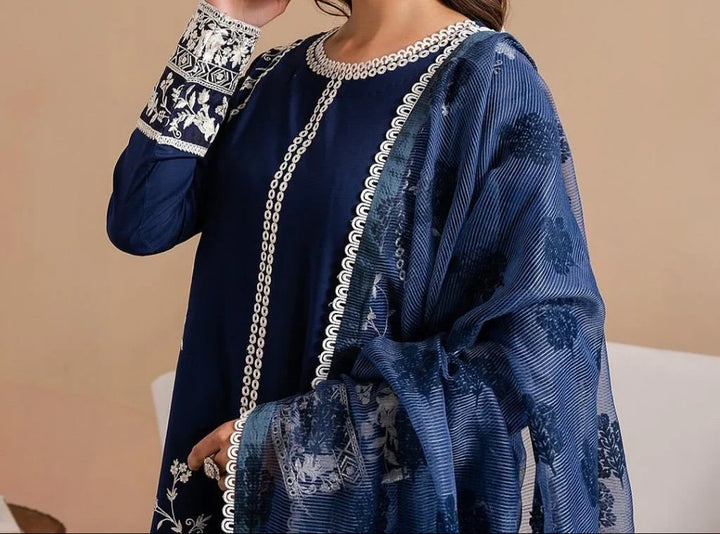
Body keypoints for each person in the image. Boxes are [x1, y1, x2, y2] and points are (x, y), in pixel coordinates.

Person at [107, 0, 634, 532]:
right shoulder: (273, 75)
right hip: (208, 494)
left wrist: (287, 441)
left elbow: (540, 353)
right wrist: (225, 20)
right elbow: (141, 220)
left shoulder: (488, 82)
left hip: (347, 508)